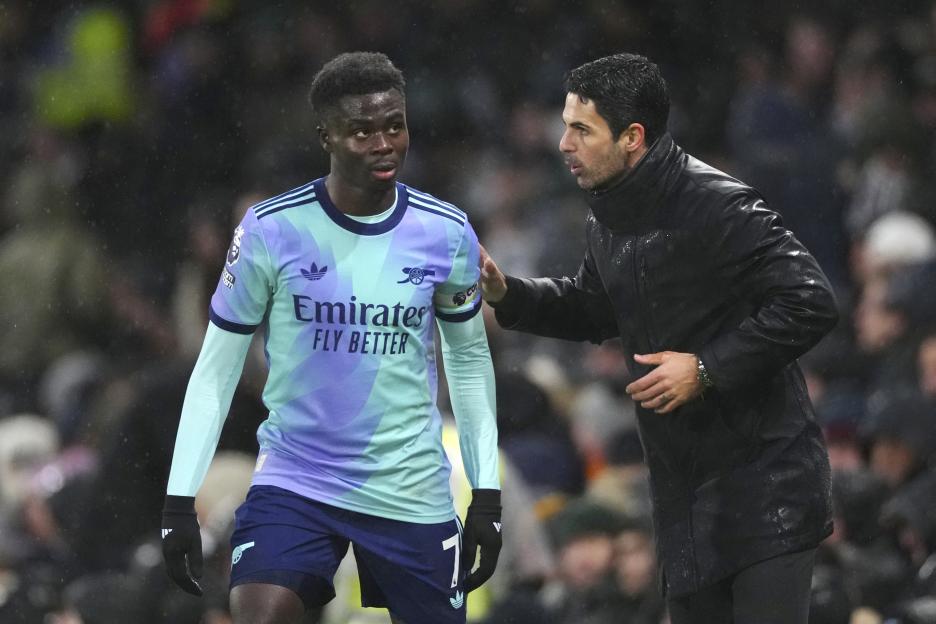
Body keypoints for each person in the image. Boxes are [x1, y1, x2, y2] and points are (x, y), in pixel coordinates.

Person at [479, 53, 839, 624]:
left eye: (581, 130)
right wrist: (507, 293)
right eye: (564, 126)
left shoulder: (718, 203)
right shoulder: (608, 216)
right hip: (685, 498)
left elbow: (812, 300)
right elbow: (594, 308)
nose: (563, 144)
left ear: (632, 137)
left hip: (766, 488)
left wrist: (706, 368)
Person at [160, 52, 502, 624]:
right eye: (361, 130)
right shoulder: (273, 230)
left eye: (394, 125)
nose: (383, 143)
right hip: (298, 478)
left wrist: (487, 496)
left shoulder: (446, 233)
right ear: (326, 136)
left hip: (409, 487)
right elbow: (216, 369)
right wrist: (178, 499)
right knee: (260, 614)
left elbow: (467, 361)